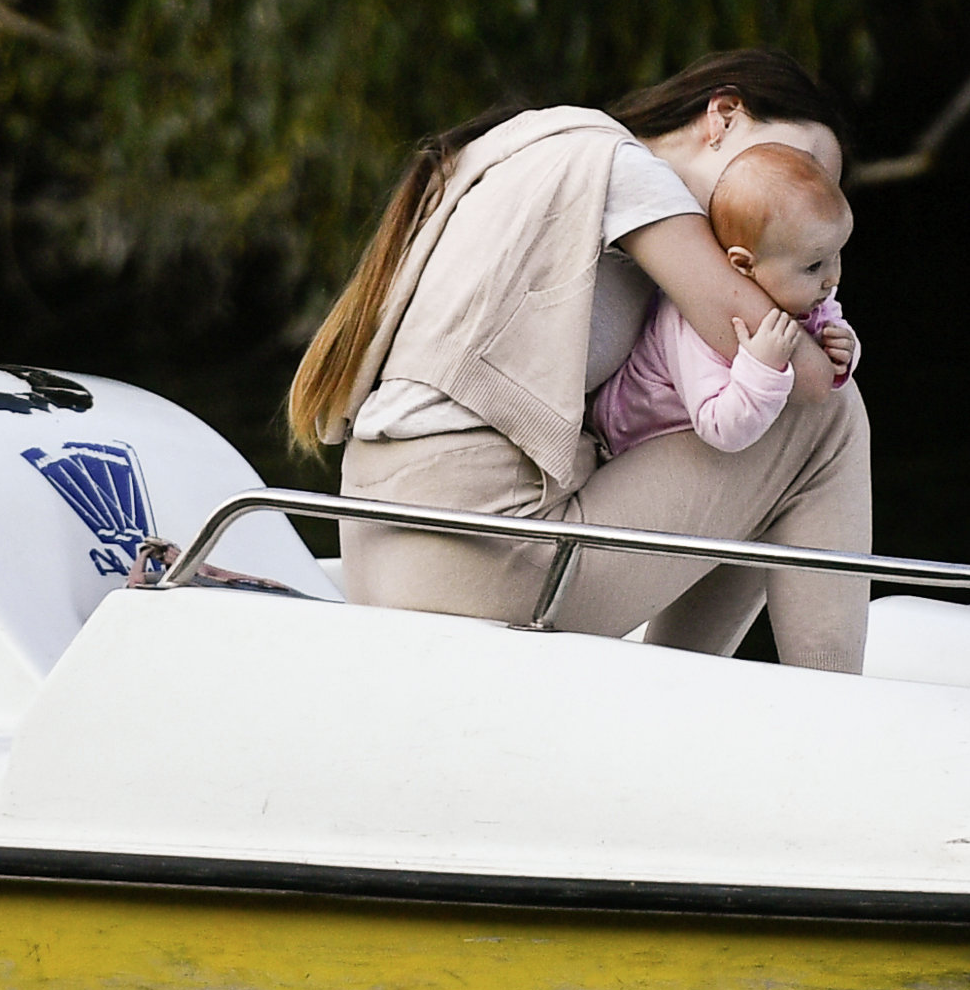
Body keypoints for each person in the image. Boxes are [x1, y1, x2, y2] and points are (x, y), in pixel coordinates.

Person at [289, 50, 875, 668]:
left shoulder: (533, 152)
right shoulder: (629, 175)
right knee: (820, 412)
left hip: (378, 545)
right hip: (480, 559)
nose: (801, 207)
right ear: (723, 116)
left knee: (749, 413)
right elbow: (811, 378)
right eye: (798, 166)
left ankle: (683, 695)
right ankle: (832, 708)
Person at [588, 143, 855, 465]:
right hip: (633, 442)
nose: (833, 278)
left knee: (839, 403)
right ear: (744, 265)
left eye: (837, 255)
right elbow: (720, 428)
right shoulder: (697, 324)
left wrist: (843, 348)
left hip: (702, 435)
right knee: (831, 416)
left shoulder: (804, 287)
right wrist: (763, 368)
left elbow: (828, 318)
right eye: (815, 266)